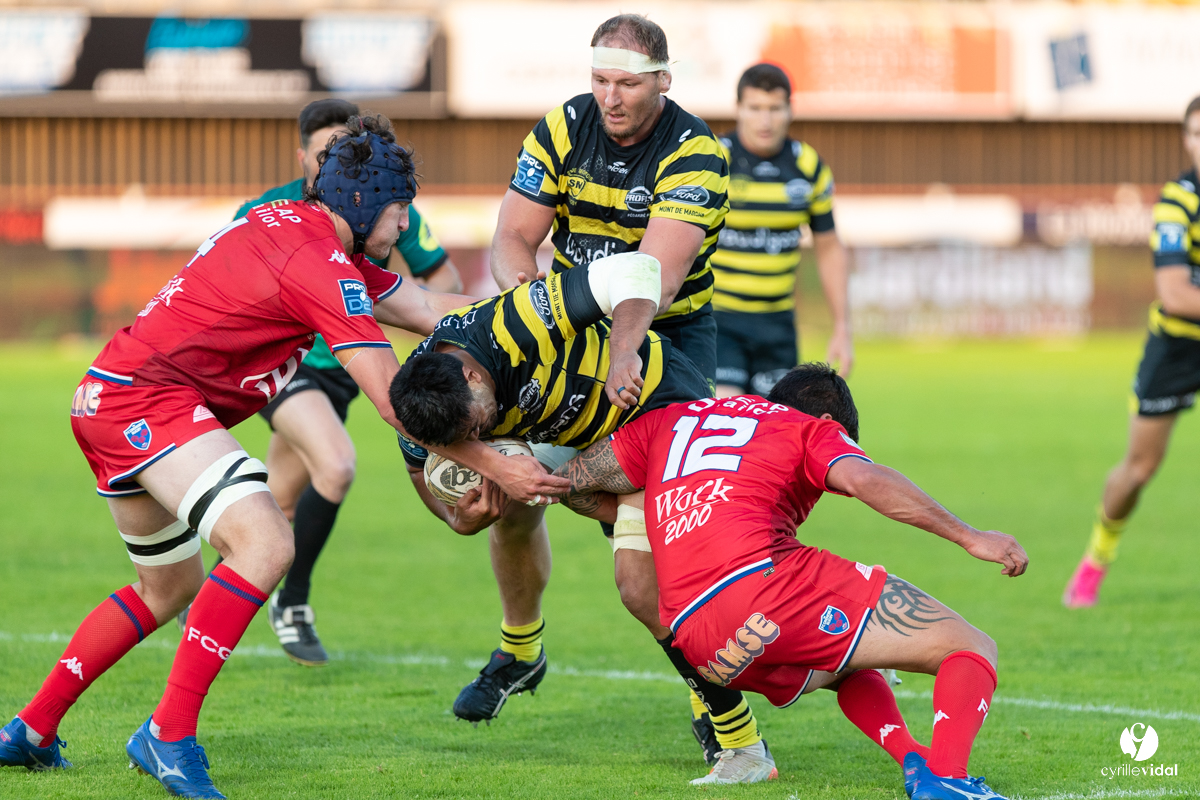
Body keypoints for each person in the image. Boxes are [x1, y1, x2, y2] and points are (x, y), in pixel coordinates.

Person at [0, 115, 477, 798]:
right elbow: (391, 398)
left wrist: (547, 310)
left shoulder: (302, 229)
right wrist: (501, 466)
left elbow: (431, 304)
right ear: (370, 205)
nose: (404, 230)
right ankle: (168, 735)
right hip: (145, 403)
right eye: (401, 214)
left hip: (111, 397)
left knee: (165, 589)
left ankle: (31, 729)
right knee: (265, 542)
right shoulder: (318, 261)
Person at [466, 12, 748, 762]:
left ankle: (712, 700)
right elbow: (513, 237)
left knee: (648, 564)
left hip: (665, 349)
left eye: (627, 83)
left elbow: (648, 278)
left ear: (664, 79)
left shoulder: (696, 155)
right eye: (599, 81)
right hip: (568, 333)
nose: (610, 98)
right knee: (511, 491)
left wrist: (622, 349)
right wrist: (528, 302)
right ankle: (521, 650)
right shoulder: (562, 129)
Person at [554, 363, 1028, 794]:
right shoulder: (807, 428)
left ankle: (912, 758)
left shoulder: (671, 419)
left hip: (701, 645)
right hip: (763, 587)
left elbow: (571, 483)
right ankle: (949, 782)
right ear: (832, 423)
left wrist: (646, 516)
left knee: (851, 665)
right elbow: (866, 481)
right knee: (971, 647)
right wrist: (970, 537)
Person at [390, 252, 776, 781]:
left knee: (650, 586)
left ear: (472, 372)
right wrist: (462, 520)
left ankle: (753, 723)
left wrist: (623, 352)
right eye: (463, 442)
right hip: (576, 438)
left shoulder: (510, 324)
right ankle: (523, 653)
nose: (474, 441)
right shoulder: (422, 408)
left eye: (476, 425)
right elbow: (423, 480)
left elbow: (636, 270)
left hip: (660, 411)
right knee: (517, 508)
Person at [186, 98, 463, 667]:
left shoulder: (383, 211)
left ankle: (215, 600)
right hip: (286, 366)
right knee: (336, 464)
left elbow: (438, 284)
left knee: (281, 501)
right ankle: (292, 603)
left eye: (345, 154)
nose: (334, 167)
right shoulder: (269, 210)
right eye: (323, 156)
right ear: (303, 156)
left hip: (344, 374)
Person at [1063, 95, 1200, 608]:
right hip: (1179, 347)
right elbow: (1177, 295)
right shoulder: (1178, 202)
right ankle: (1095, 560)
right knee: (1138, 471)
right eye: (1194, 134)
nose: (1199, 144)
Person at [712, 63, 852, 398]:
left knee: (774, 430)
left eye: (774, 109)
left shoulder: (807, 167)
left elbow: (829, 247)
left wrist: (842, 327)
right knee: (727, 411)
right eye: (755, 108)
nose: (765, 120)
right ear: (738, 109)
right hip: (719, 321)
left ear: (790, 110)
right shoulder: (714, 160)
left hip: (777, 326)